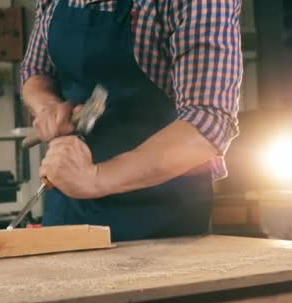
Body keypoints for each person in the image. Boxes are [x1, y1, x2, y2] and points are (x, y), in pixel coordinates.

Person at [20, 0, 243, 241]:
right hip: (68, 203)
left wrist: (95, 179)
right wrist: (46, 106)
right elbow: (35, 71)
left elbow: (208, 119)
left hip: (162, 217)